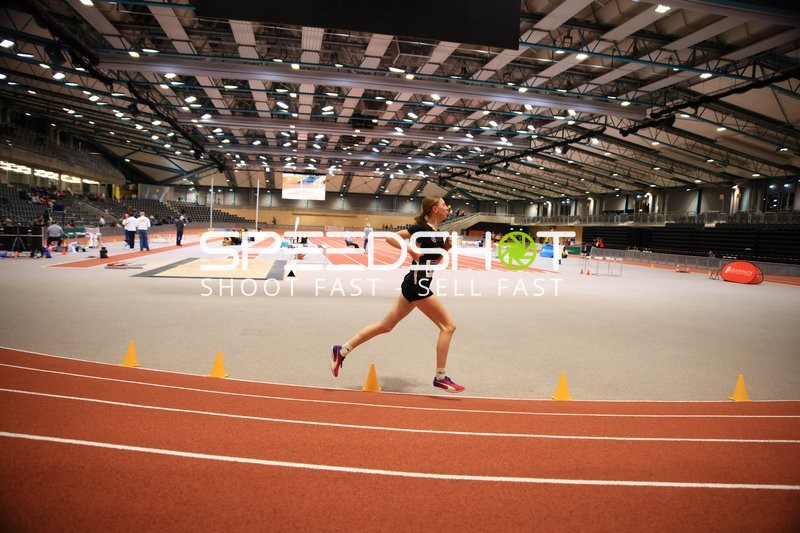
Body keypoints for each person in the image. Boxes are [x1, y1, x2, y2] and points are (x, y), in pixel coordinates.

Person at [330, 197, 464, 392]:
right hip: (418, 285)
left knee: (386, 326)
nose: (447, 208)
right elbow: (391, 238)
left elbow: (433, 261)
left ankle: (341, 350)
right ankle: (440, 377)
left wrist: (445, 249)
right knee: (448, 327)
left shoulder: (439, 234)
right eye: (444, 205)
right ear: (435, 209)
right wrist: (409, 248)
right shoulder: (420, 229)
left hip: (417, 283)